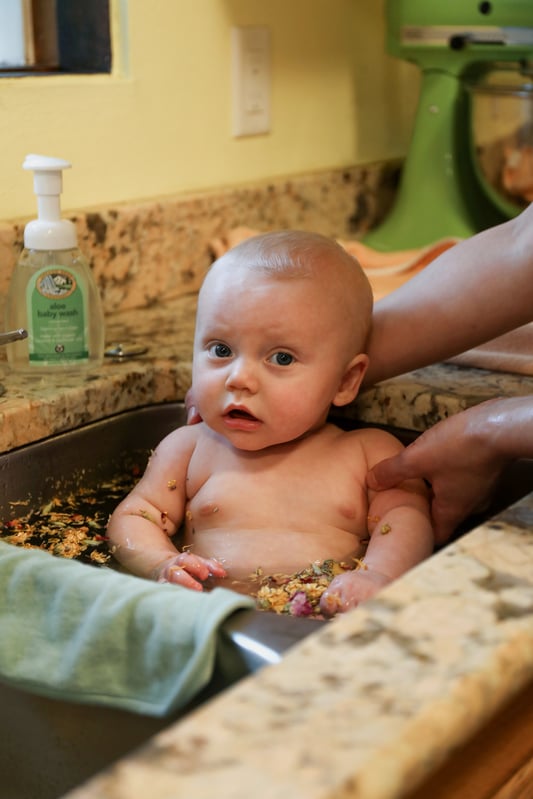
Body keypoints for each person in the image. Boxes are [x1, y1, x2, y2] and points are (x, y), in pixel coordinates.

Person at [107, 230, 433, 616]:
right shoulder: (190, 448)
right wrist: (161, 562)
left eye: (281, 358)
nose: (238, 378)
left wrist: (378, 575)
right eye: (221, 350)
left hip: (326, 622)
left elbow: (407, 519)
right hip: (207, 618)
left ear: (345, 381)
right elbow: (135, 516)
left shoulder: (368, 454)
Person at [364, 203, 533, 543]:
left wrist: (491, 430)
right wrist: (327, 353)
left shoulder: (363, 451)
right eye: (221, 351)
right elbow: (523, 244)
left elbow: (398, 524)